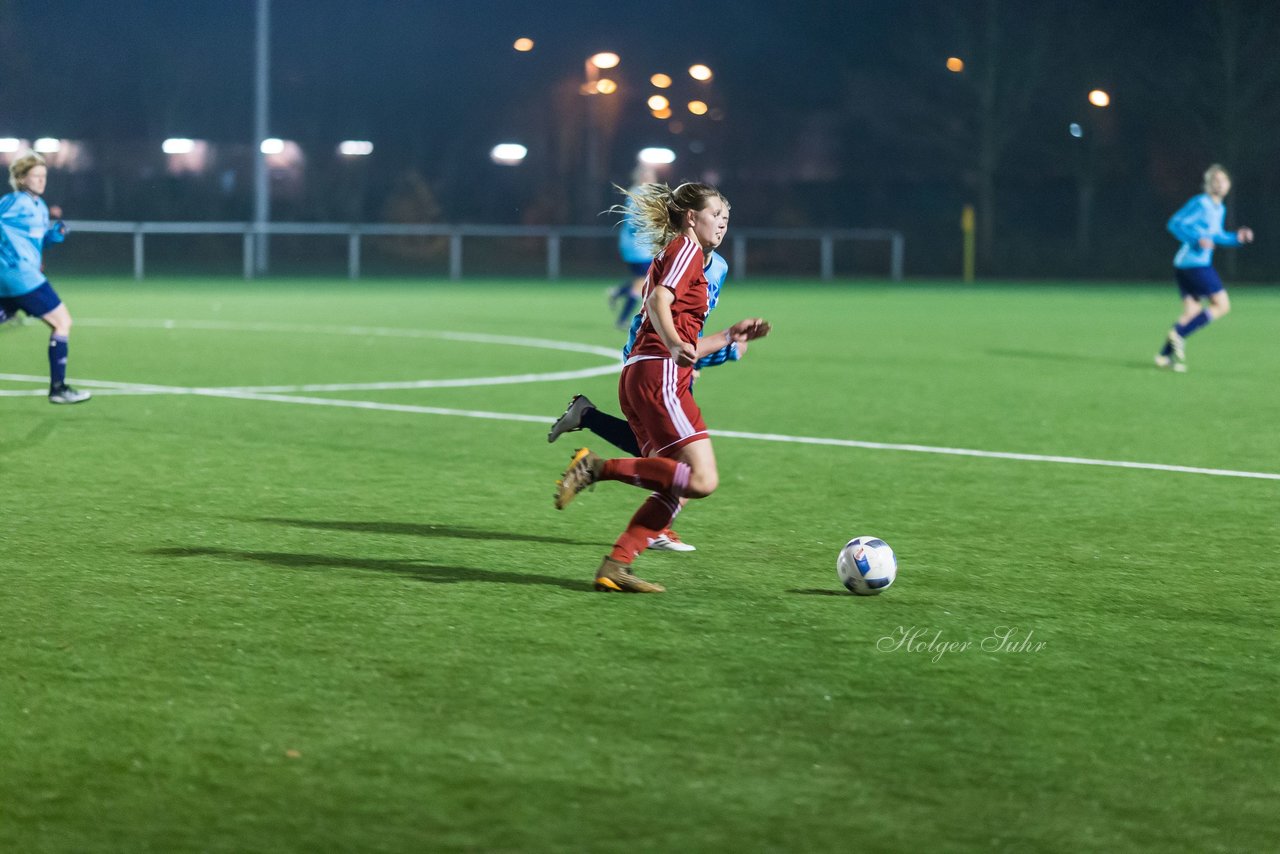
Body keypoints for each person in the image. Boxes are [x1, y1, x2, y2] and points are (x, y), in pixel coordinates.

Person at [554, 182, 770, 593]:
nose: (722, 225)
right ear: (692, 217)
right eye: (715, 216)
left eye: (727, 219)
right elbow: (657, 303)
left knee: (674, 485)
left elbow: (679, 329)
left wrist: (728, 335)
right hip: (659, 376)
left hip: (645, 375)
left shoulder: (686, 255)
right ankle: (596, 467)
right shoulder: (686, 250)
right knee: (701, 480)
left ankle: (616, 565)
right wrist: (673, 345)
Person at [0, 151, 90, 403]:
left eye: (44, 176)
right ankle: (58, 389)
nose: (41, 180)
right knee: (62, 322)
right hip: (20, 275)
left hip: (16, 278)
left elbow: (36, 242)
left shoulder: (39, 206)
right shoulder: (14, 201)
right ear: (20, 179)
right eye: (35, 176)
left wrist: (54, 235)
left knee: (7, 314)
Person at [1155, 164, 1254, 372]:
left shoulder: (1219, 208)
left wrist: (1237, 238)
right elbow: (1174, 223)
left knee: (1192, 311)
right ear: (1208, 184)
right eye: (1214, 180)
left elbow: (1216, 236)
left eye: (1223, 180)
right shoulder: (1201, 203)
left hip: (1185, 265)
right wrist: (1196, 239)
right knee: (1222, 305)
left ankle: (1163, 357)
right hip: (1195, 264)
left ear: (1228, 185)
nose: (1219, 184)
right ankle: (1179, 335)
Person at [606, 164, 659, 329]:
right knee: (643, 282)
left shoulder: (652, 194)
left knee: (646, 280)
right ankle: (622, 319)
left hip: (646, 245)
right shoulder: (636, 194)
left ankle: (618, 293)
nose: (648, 177)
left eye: (650, 174)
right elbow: (633, 222)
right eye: (645, 174)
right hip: (637, 247)